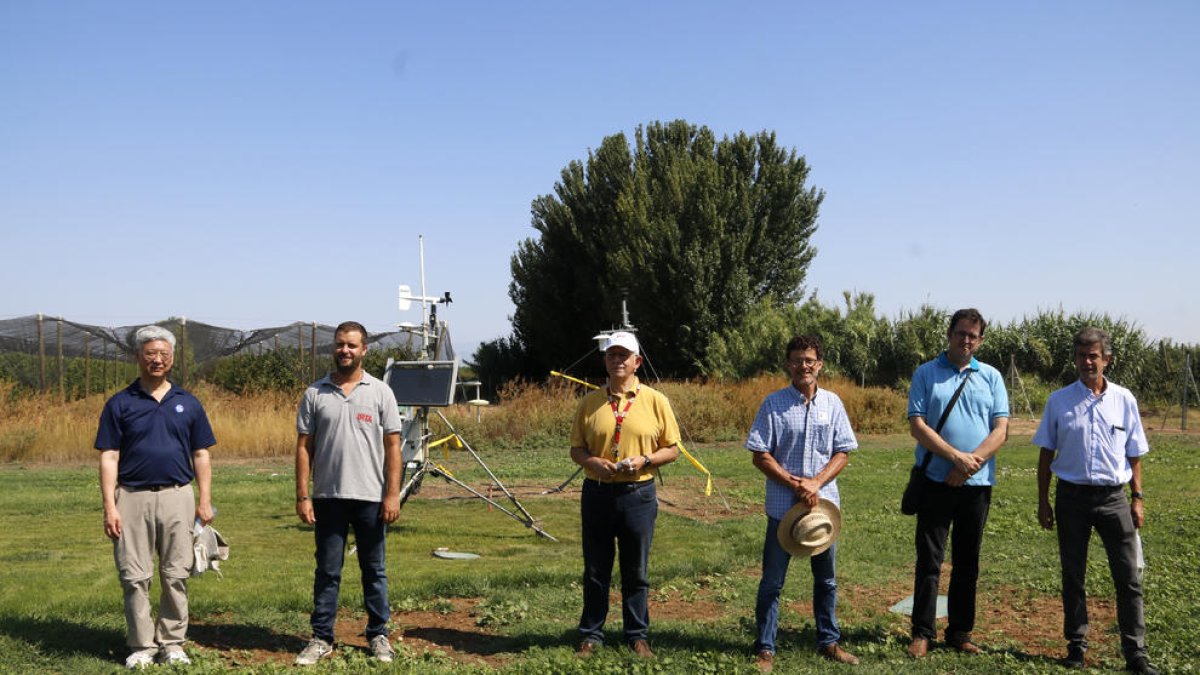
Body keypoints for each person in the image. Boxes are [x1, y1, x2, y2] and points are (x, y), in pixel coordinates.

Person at [1034, 328, 1158, 674]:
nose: (1087, 362)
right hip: (1071, 498)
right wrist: (1043, 501)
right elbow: (1046, 454)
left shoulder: (1124, 400)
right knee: (1073, 574)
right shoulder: (1059, 401)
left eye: (1094, 356)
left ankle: (1135, 652)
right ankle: (1076, 645)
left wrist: (1137, 498)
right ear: (1074, 359)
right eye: (1081, 356)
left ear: (1107, 359)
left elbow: (1134, 454)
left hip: (1114, 499)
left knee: (1128, 576)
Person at [95, 325, 215, 669]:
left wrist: (204, 500)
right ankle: (142, 646)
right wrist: (109, 506)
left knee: (176, 573)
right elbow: (109, 457)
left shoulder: (187, 403)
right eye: (150, 354)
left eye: (163, 354)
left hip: (178, 496)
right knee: (134, 576)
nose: (157, 360)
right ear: (138, 357)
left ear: (172, 358)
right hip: (131, 498)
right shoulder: (120, 403)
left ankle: (173, 642)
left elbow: (202, 454)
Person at [747, 336, 860, 672]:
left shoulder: (833, 404)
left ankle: (829, 641)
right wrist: (795, 483)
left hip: (822, 510)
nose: (803, 366)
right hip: (784, 508)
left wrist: (815, 483)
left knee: (826, 580)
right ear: (788, 364)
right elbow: (760, 454)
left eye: (809, 360)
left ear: (819, 364)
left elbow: (843, 452)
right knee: (772, 582)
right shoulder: (773, 404)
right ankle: (765, 647)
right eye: (797, 360)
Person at [294, 321, 403, 666]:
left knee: (375, 570)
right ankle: (322, 637)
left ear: (364, 350)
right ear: (334, 348)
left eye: (352, 345)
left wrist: (392, 494)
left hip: (372, 497)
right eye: (340, 344)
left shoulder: (381, 392)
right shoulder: (315, 393)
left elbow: (393, 447)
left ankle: (378, 635)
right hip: (328, 497)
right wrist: (302, 495)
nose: (345, 350)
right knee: (328, 571)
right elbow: (303, 447)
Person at [569, 331, 680, 659]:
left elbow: (672, 449)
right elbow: (576, 449)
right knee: (595, 569)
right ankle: (591, 634)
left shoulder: (656, 401)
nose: (617, 360)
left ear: (637, 362)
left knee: (636, 570)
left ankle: (637, 634)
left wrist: (646, 460)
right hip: (598, 493)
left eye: (624, 355)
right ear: (605, 360)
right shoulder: (589, 403)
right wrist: (592, 462)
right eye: (611, 355)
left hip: (638, 495)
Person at [906, 308, 1009, 658]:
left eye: (973, 336)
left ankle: (960, 632)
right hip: (935, 481)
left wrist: (969, 464)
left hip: (977, 485)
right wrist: (954, 457)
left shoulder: (992, 377)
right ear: (949, 334)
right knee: (929, 560)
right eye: (961, 333)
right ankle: (922, 632)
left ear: (980, 340)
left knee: (968, 561)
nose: (966, 340)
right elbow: (918, 425)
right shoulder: (926, 373)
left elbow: (1001, 430)